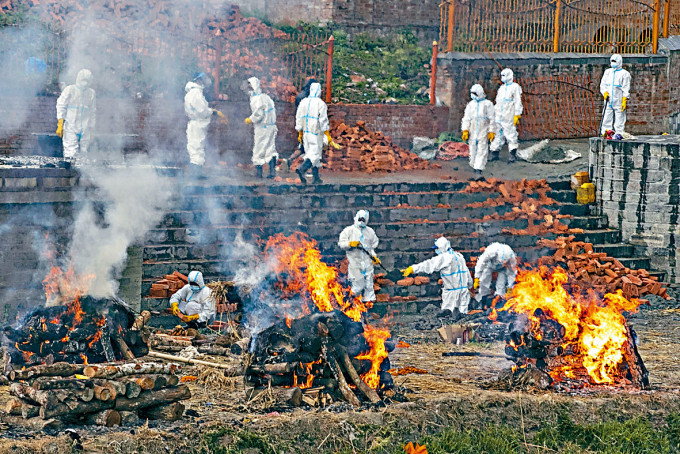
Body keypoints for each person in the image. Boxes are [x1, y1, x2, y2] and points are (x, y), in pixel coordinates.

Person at [402, 237, 472, 315]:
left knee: (448, 316)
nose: (436, 250)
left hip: (451, 294)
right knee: (462, 316)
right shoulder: (459, 256)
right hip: (463, 292)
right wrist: (469, 285)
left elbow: (429, 264)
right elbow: (467, 273)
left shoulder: (444, 258)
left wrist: (413, 268)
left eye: (437, 248)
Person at [294, 82, 340, 184]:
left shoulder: (303, 102)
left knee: (311, 154)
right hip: (315, 134)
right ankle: (302, 169)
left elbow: (299, 118)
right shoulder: (320, 104)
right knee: (314, 155)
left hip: (306, 134)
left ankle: (316, 178)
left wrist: (300, 133)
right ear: (319, 91)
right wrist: (327, 134)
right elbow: (323, 120)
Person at [184, 73, 226, 169]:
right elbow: (201, 110)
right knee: (197, 146)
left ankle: (195, 170)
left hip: (195, 122)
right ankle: (196, 171)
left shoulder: (191, 93)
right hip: (198, 123)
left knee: (194, 146)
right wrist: (212, 112)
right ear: (199, 80)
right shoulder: (196, 93)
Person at [338, 210, 380, 303]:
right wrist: (349, 244)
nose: (361, 222)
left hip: (367, 263)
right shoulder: (348, 231)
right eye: (360, 219)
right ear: (356, 218)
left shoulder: (370, 232)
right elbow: (341, 243)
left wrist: (374, 257)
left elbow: (372, 247)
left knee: (369, 285)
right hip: (355, 264)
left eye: (363, 220)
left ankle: (369, 305)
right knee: (357, 286)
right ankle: (351, 304)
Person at [56, 69, 96, 164]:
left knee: (84, 152)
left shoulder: (91, 93)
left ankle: (82, 175)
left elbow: (92, 111)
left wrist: (92, 127)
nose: (85, 83)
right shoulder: (70, 90)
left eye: (87, 80)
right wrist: (60, 123)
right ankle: (70, 173)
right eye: (83, 80)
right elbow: (61, 105)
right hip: (71, 125)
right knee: (71, 153)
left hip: (85, 127)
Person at [244, 77, 278, 178]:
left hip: (262, 128)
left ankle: (259, 173)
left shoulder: (257, 99)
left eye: (249, 86)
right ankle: (272, 173)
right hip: (271, 127)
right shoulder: (265, 97)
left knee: (258, 149)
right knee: (270, 149)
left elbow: (259, 115)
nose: (248, 88)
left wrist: (250, 119)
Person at [461, 84, 496, 177]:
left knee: (482, 149)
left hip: (483, 128)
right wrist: (465, 130)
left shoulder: (487, 104)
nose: (473, 95)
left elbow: (492, 119)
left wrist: (491, 130)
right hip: (472, 129)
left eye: (475, 93)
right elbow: (466, 118)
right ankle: (474, 166)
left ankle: (478, 170)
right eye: (472, 93)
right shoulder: (471, 105)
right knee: (472, 149)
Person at [489, 68, 523, 163]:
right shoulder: (502, 88)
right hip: (499, 115)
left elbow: (517, 102)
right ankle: (495, 153)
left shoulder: (515, 87)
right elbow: (498, 102)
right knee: (497, 134)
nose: (502, 77)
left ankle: (512, 154)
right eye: (502, 75)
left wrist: (517, 114)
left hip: (509, 115)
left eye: (504, 75)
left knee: (510, 134)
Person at [600, 54, 631, 137]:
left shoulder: (625, 74)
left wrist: (624, 100)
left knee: (620, 118)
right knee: (606, 117)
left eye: (615, 61)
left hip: (619, 99)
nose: (613, 63)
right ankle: (606, 133)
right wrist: (605, 93)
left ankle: (619, 133)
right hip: (608, 99)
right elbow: (603, 85)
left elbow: (625, 88)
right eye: (612, 61)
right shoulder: (608, 72)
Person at [289, 78, 318, 164]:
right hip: (311, 125)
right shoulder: (311, 98)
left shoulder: (299, 97)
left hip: (302, 123)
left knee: (302, 145)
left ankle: (289, 160)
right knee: (310, 147)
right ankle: (306, 168)